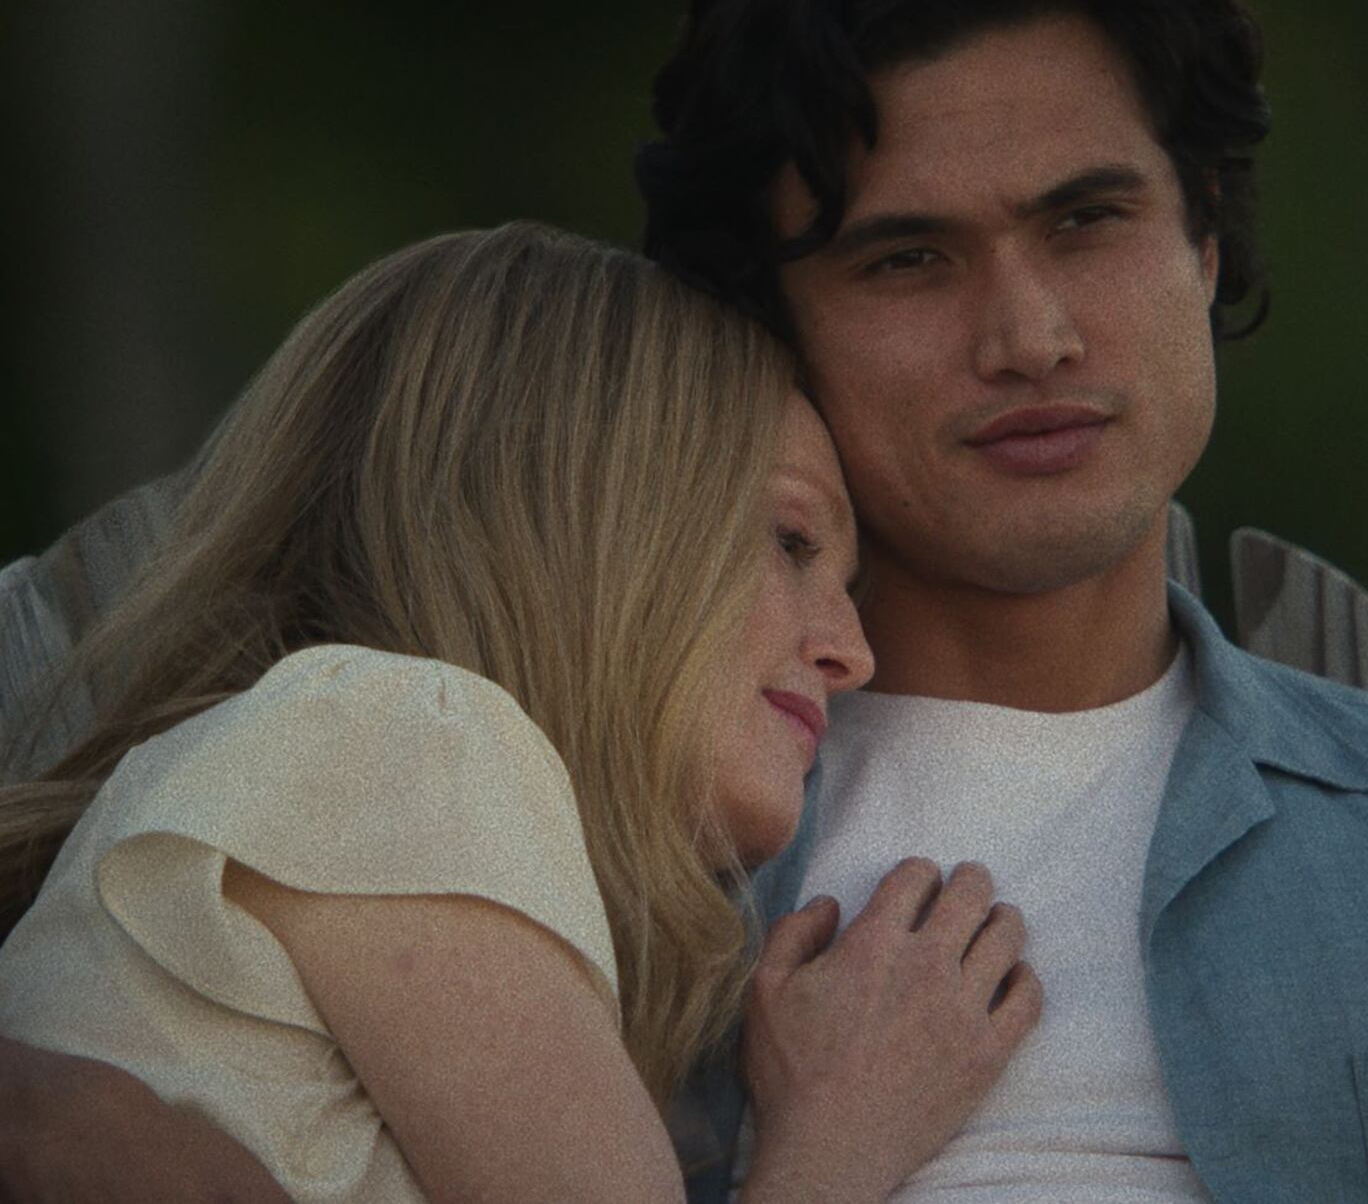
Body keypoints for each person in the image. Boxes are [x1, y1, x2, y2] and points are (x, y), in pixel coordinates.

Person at [1, 0, 1368, 1199]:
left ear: (1205, 243)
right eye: (908, 257)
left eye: (1089, 219)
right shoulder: (567, 805)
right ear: (766, 329)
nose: (1028, 331)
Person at [0, 222, 1041, 1202]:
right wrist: (835, 1138)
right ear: (583, 521)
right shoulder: (399, 737)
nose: (851, 652)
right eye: (791, 542)